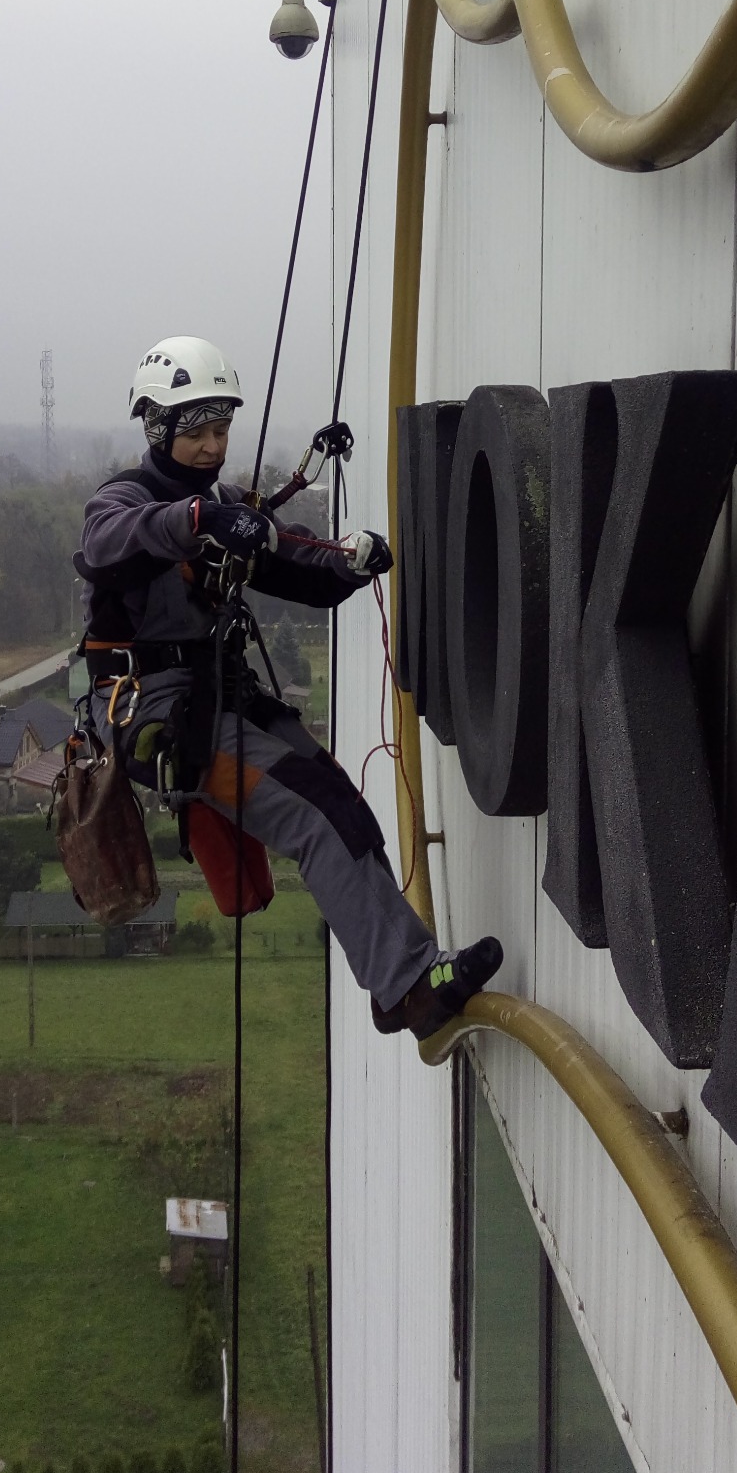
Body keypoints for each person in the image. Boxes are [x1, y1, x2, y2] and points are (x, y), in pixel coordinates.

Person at [73, 334, 502, 1038]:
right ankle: (407, 988)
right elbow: (106, 542)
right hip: (159, 714)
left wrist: (350, 562)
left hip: (216, 699)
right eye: (199, 432)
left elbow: (295, 567)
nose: (214, 446)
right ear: (158, 427)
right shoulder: (130, 502)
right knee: (314, 815)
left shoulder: (223, 506)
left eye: (222, 430)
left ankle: (403, 972)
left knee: (336, 802)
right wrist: (203, 518)